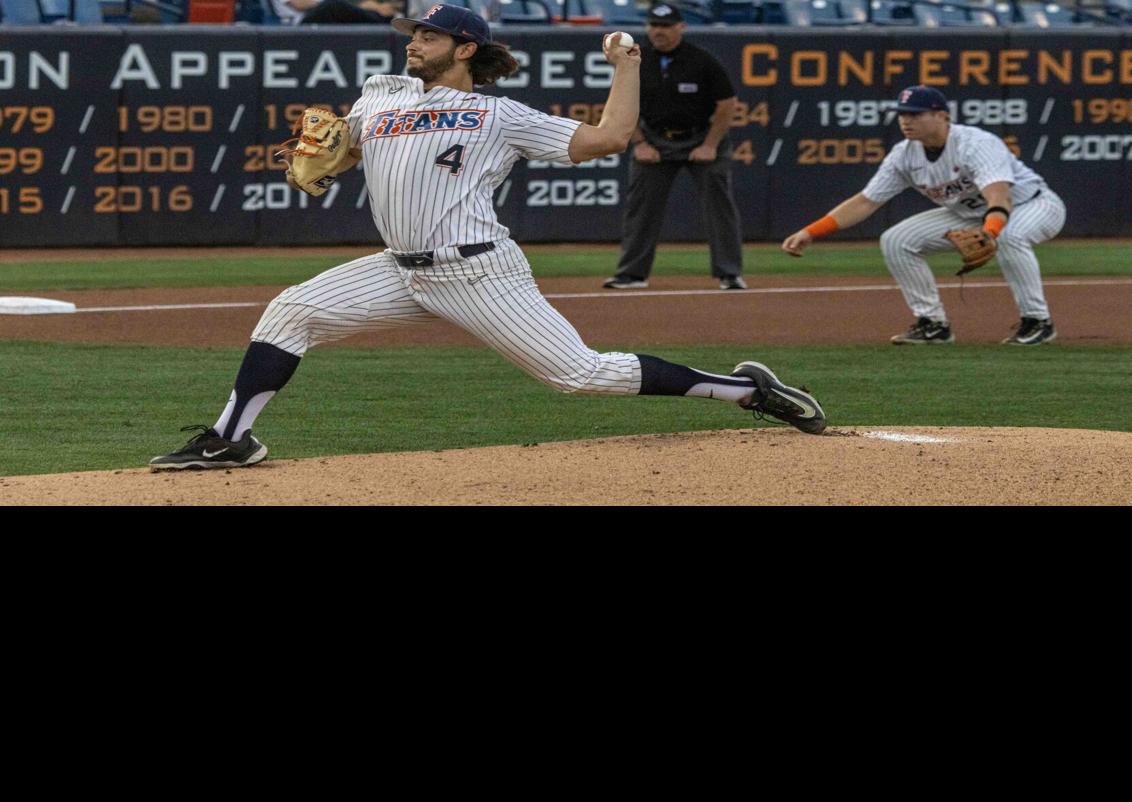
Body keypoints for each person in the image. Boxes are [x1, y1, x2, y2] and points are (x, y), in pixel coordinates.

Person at [148, 6, 822, 471]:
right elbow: (343, 155)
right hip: (400, 269)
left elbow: (609, 138)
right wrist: (321, 156)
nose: (414, 40)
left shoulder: (498, 115)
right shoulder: (378, 98)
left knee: (580, 375)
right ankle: (231, 440)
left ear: (464, 48)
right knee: (291, 309)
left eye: (430, 35)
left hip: (476, 272)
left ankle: (741, 390)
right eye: (413, 32)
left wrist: (627, 64)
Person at [781, 85, 1067, 346]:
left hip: (1033, 205)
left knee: (1011, 236)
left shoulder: (976, 143)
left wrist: (990, 232)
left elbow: (999, 195)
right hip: (972, 215)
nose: (906, 121)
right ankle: (932, 324)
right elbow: (866, 202)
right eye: (902, 114)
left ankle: (1037, 321)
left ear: (942, 115)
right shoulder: (904, 155)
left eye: (915, 114)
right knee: (896, 240)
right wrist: (811, 231)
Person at [602, 3, 746, 292]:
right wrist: (640, 143)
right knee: (641, 208)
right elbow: (623, 106)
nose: (659, 31)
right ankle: (632, 274)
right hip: (654, 139)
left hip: (699, 137)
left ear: (681, 27)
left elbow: (727, 104)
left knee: (719, 206)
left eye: (666, 26)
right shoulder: (635, 61)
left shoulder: (701, 60)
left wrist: (710, 145)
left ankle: (729, 273)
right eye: (654, 25)